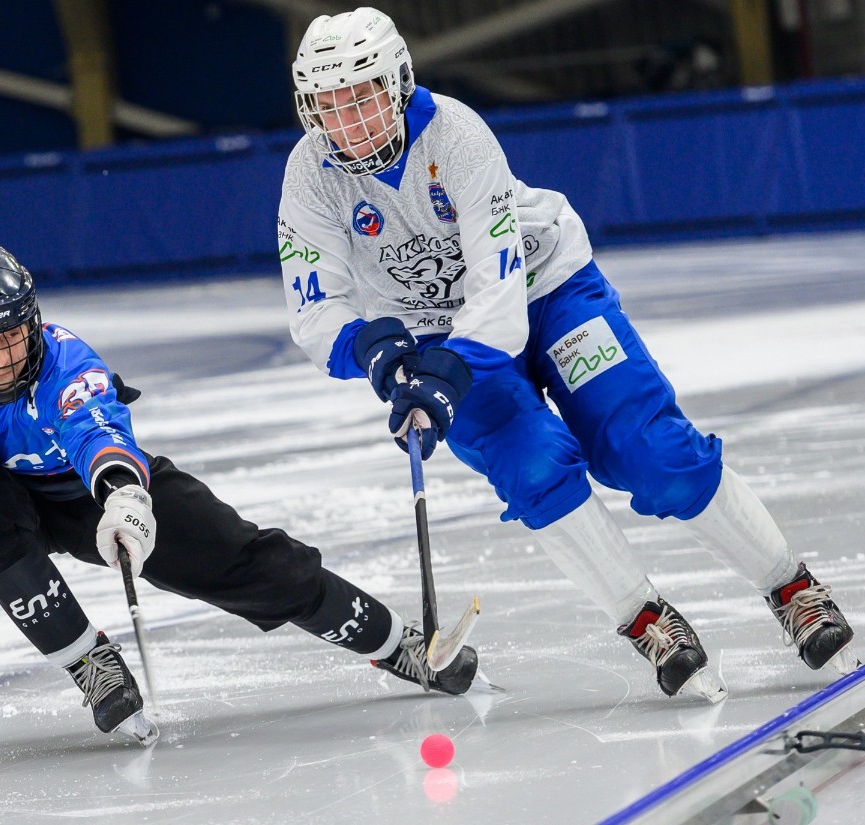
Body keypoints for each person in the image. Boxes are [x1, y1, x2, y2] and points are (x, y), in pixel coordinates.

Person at [277, 7, 857, 702]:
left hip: (545, 287)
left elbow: (496, 287)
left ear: (398, 83)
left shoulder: (456, 134)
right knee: (532, 467)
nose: (350, 121)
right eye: (330, 104)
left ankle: (790, 584)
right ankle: (644, 617)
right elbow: (314, 307)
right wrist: (375, 351)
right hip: (432, 335)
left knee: (649, 449)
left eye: (363, 96)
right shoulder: (310, 174)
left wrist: (441, 377)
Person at [0, 243, 479, 745]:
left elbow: (98, 434)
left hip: (88, 491)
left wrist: (125, 498)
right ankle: (90, 662)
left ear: (34, 321)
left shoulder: (66, 359)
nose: (2, 358)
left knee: (250, 561)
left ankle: (399, 645)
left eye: (13, 337)